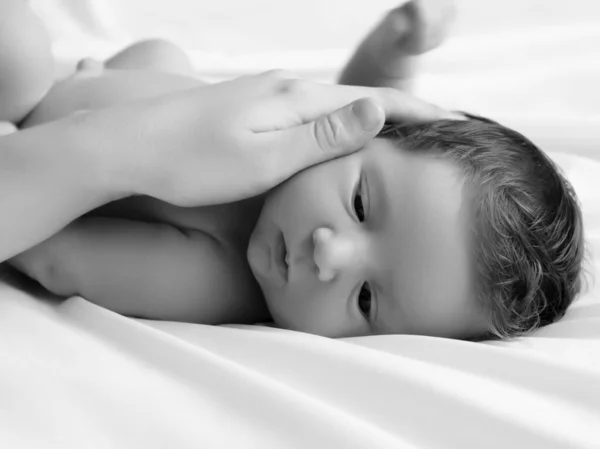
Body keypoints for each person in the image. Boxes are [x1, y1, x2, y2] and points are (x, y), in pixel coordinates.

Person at [3, 0, 584, 340]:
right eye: (359, 206)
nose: (330, 255)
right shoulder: (309, 145)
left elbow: (57, 255)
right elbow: (367, 112)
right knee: (162, 57)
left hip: (35, 133)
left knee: (19, 47)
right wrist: (391, 54)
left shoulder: (216, 278)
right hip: (110, 87)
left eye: (366, 302)